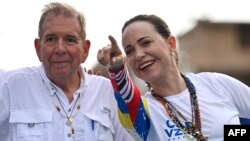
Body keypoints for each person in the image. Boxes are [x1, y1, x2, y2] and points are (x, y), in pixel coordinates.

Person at [97, 14, 250, 141]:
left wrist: (231, 133)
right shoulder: (145, 112)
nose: (139, 54)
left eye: (146, 43)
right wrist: (117, 69)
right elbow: (128, 100)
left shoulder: (215, 84)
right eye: (129, 51)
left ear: (171, 44)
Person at [0, 2, 135, 141]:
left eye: (70, 40)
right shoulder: (10, 87)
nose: (60, 49)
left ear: (85, 50)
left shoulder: (106, 91)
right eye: (51, 39)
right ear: (38, 48)